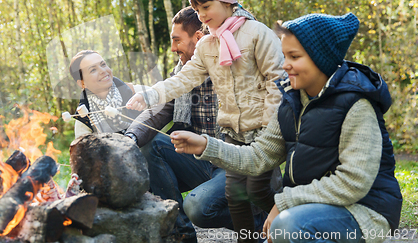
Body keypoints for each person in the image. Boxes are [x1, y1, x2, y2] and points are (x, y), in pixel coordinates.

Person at [171, 13, 403, 243]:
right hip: (310, 209)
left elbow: (352, 183)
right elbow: (258, 156)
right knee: (286, 226)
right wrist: (205, 145)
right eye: (284, 56)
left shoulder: (356, 104)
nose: (285, 65)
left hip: (364, 213)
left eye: (294, 56)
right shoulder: (292, 102)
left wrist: (284, 203)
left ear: (320, 58)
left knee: (286, 226)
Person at [127, 0, 286, 242]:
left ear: (227, 1)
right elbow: (183, 79)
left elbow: (278, 80)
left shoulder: (257, 34)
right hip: (231, 140)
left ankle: (289, 217)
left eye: (206, 6)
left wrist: (269, 125)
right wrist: (150, 95)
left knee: (261, 195)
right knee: (237, 202)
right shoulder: (207, 47)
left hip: (261, 139)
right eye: (197, 9)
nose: (201, 15)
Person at [68, 50, 148, 138]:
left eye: (103, 64)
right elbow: (83, 149)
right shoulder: (84, 118)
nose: (102, 70)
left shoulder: (135, 92)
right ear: (82, 83)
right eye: (93, 70)